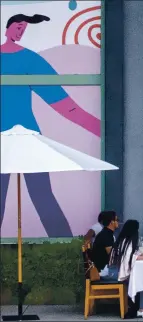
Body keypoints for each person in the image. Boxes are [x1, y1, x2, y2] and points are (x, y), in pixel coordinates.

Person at [1, 14, 101, 237]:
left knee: (43, 197)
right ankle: (65, 248)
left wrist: (102, 129)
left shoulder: (30, 60)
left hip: (27, 137)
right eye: (18, 27)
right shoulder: (28, 60)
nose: (21, 32)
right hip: (12, 139)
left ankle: (65, 248)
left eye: (24, 28)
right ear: (8, 28)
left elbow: (65, 106)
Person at [109, 220, 143, 319]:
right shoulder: (127, 242)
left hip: (114, 270)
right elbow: (131, 259)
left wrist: (142, 255)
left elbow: (130, 256)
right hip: (114, 273)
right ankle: (142, 309)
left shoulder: (123, 240)